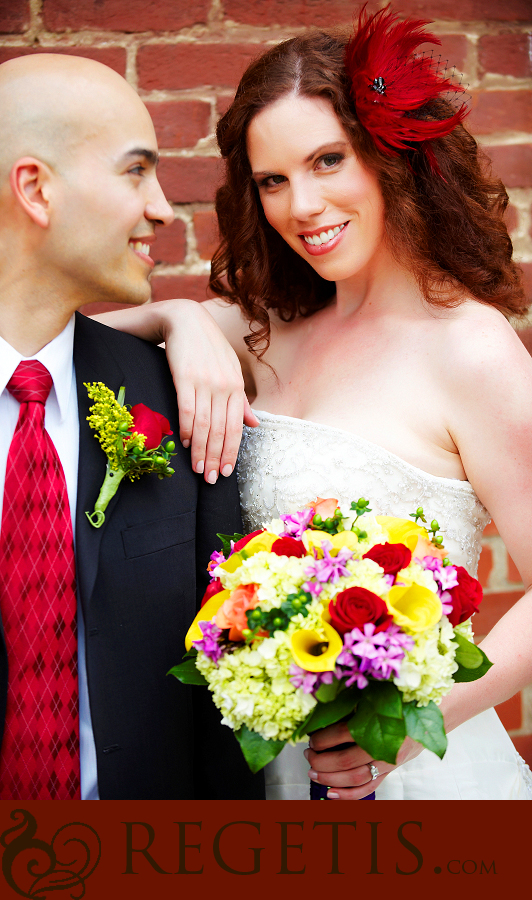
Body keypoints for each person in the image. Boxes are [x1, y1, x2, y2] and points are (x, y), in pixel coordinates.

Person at [104, 7, 532, 800]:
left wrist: (406, 731)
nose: (301, 205)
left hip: (422, 779)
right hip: (269, 783)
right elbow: (60, 339)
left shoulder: (470, 349)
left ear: (391, 159)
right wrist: (180, 318)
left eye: (327, 160)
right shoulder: (270, 332)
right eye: (273, 179)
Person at [0, 52, 264, 800]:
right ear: (36, 189)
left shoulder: (181, 403)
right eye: (134, 172)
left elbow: (217, 711)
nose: (161, 210)